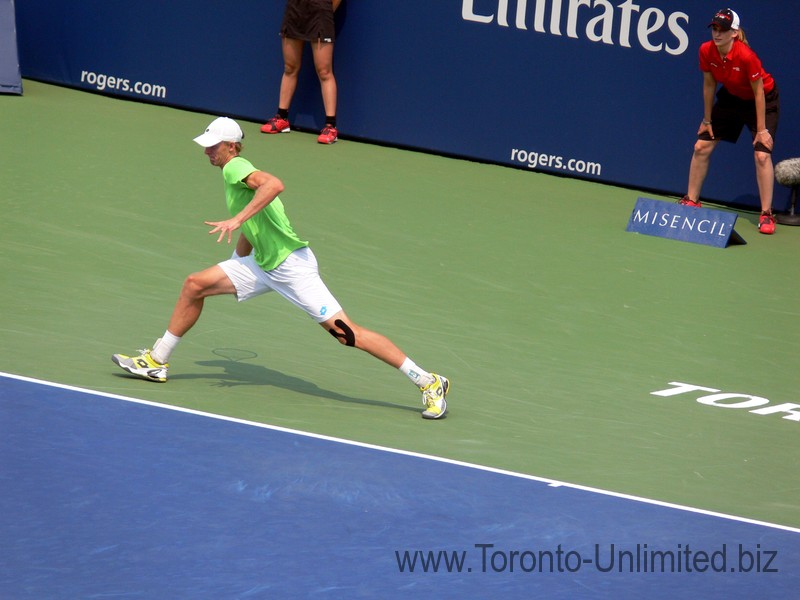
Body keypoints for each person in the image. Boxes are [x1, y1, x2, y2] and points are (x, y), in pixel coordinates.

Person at [112, 117, 450, 419]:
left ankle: (428, 381)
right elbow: (254, 221)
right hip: (261, 263)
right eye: (206, 146)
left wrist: (236, 219)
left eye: (213, 147)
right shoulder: (236, 173)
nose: (207, 152)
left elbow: (274, 185)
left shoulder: (235, 166)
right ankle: (157, 361)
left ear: (231, 147)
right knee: (194, 284)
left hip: (291, 267)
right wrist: (236, 263)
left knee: (347, 335)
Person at [678, 8, 780, 235]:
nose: (717, 33)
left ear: (734, 33)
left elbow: (759, 93)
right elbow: (709, 85)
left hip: (762, 99)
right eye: (714, 28)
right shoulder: (706, 50)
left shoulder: (746, 56)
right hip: (732, 98)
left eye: (722, 29)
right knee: (701, 146)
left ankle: (766, 214)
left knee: (762, 154)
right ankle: (691, 200)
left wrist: (761, 130)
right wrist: (707, 120)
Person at [260, 0, 342, 144]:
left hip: (321, 12)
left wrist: (325, 9)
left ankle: (331, 126)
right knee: (290, 67)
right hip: (295, 11)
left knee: (324, 72)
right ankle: (282, 118)